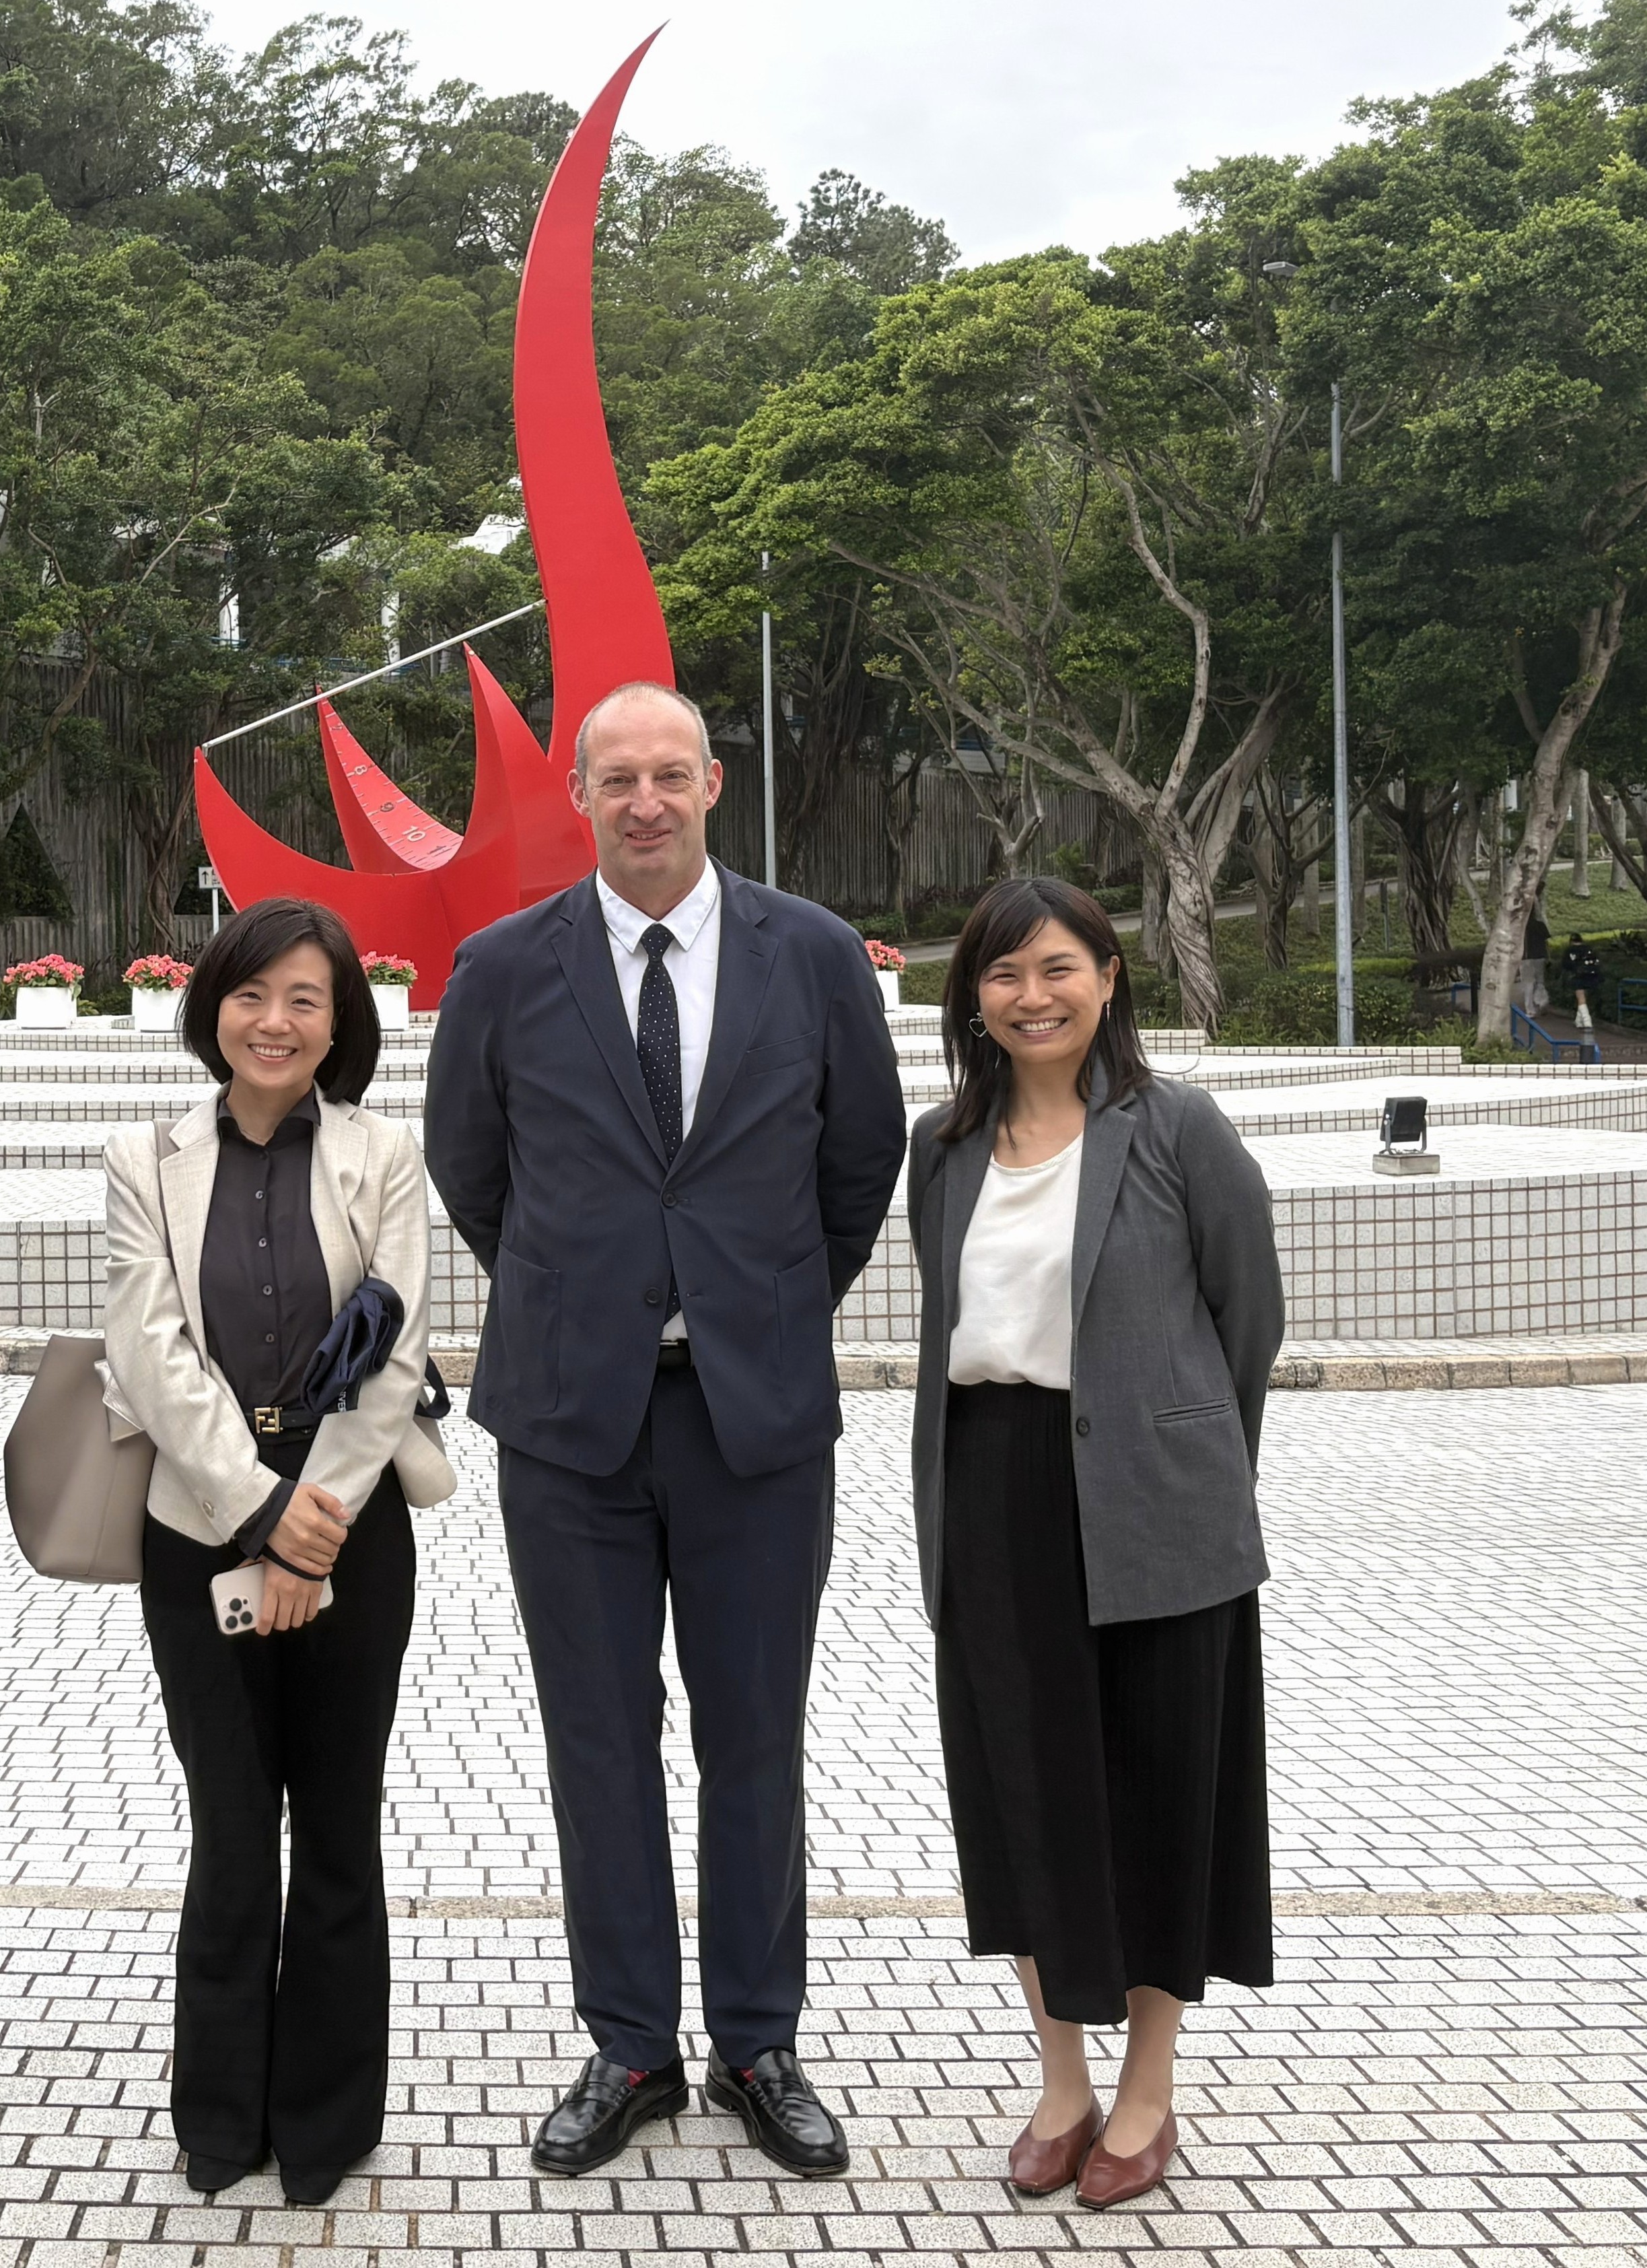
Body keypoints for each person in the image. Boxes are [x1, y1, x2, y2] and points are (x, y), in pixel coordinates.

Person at [426, 681, 907, 2180]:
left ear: (714, 782)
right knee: (598, 1734)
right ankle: (629, 2041)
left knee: (754, 1731)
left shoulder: (814, 956)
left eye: (670, 775)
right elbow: (471, 1166)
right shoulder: (505, 966)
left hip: (753, 1418)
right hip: (572, 1421)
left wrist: (743, 1301)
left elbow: (858, 1159)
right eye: (615, 778)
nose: (644, 801)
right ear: (578, 795)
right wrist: (599, 1299)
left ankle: (758, 2038)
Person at [905, 876, 1282, 2211]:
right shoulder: (942, 1145)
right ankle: (1060, 2079)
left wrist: (1177, 1450)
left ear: (1109, 977)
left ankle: (1146, 2092)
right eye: (1001, 975)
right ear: (974, 1003)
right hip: (994, 1489)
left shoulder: (1175, 1127)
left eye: (1057, 966)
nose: (1031, 994)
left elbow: (1247, 1321)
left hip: (1151, 1499)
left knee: (1158, 1792)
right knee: (1024, 1793)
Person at [100, 897, 455, 2207]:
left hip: (351, 1538)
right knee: (235, 1827)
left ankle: (324, 2120)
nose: (275, 1020)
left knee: (341, 1824)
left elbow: (399, 1349)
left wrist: (316, 1518)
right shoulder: (147, 1154)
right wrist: (259, 1508)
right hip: (199, 1530)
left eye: (305, 998)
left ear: (338, 1018)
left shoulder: (384, 1157)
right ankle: (217, 2112)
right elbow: (148, 1349)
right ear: (215, 1008)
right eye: (253, 994)